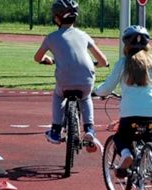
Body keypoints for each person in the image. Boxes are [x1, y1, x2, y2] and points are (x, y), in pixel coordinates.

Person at [94, 25, 152, 177]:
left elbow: (108, 87)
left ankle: (127, 155)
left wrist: (96, 91)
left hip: (131, 111)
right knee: (149, 135)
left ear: (126, 45)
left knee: (121, 137)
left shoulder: (123, 63)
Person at [33, 0, 108, 150]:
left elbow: (37, 58)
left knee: (58, 95)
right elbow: (103, 60)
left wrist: (46, 60)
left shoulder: (51, 37)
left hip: (65, 80)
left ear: (56, 18)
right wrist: (97, 64)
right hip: (86, 79)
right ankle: (89, 129)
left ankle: (55, 129)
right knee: (86, 98)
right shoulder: (83, 35)